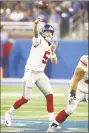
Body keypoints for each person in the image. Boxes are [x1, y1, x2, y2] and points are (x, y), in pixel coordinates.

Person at [5, 17, 58, 127]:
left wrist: (53, 52)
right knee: (26, 98)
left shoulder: (50, 46)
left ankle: (51, 121)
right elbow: (36, 34)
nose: (49, 34)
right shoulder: (39, 40)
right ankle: (9, 113)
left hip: (40, 74)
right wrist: (35, 25)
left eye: (50, 32)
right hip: (30, 72)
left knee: (50, 95)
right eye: (47, 32)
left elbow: (54, 62)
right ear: (43, 33)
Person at [47, 55, 88, 132]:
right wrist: (73, 94)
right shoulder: (85, 62)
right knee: (69, 110)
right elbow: (76, 79)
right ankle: (53, 126)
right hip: (78, 88)